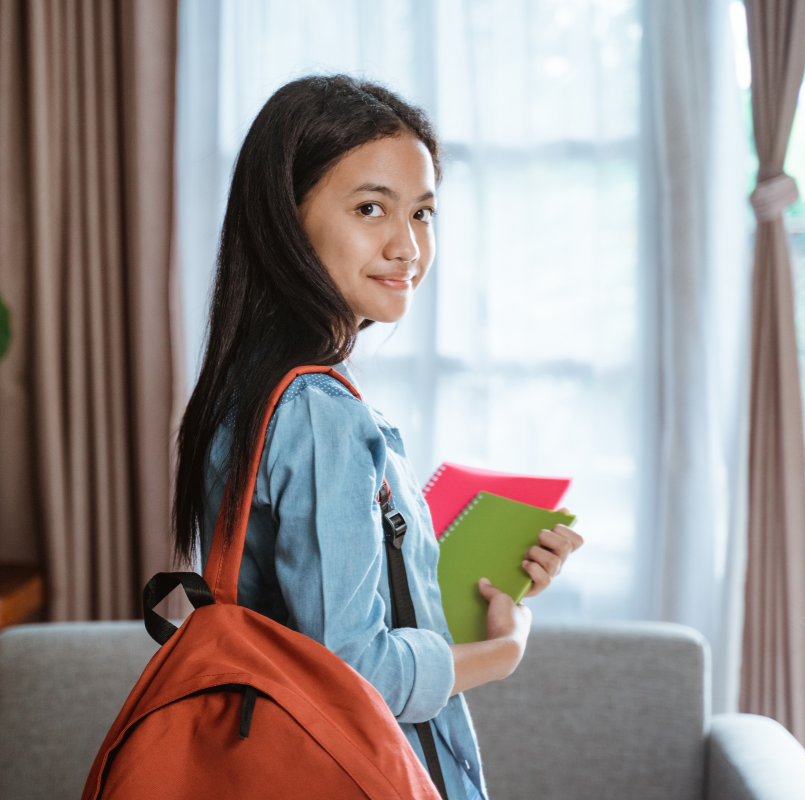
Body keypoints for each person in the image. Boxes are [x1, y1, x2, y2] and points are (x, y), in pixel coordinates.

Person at [173, 74, 584, 800]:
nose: (408, 246)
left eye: (423, 213)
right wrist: (503, 648)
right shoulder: (319, 410)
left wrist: (468, 587)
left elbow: (310, 618)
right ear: (284, 219)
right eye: (371, 209)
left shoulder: (252, 389)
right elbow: (354, 671)